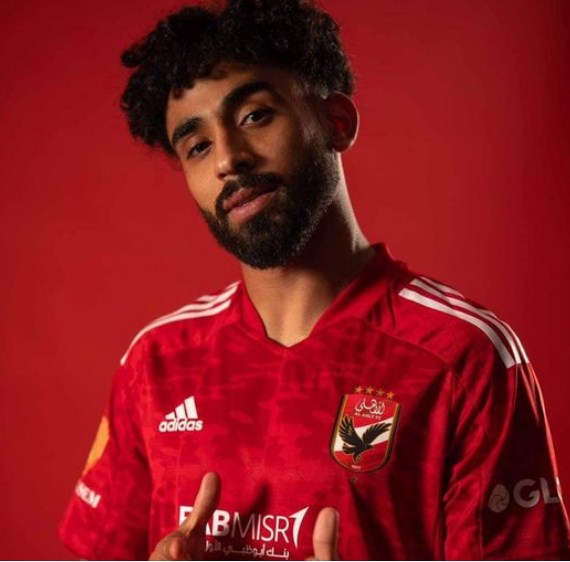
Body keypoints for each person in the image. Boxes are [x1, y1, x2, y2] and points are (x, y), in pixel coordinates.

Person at [59, 0, 570, 559]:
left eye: (255, 116)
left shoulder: (461, 356)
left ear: (336, 122)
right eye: (198, 146)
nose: (228, 159)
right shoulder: (157, 361)